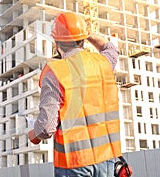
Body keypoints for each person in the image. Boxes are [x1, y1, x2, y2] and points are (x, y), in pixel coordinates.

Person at [28, 12, 122, 177]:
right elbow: (110, 48)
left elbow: (46, 128)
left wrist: (33, 135)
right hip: (106, 158)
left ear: (56, 43)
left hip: (74, 162)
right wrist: (89, 33)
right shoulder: (103, 63)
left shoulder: (54, 72)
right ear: (83, 39)